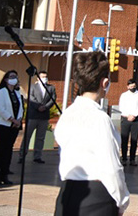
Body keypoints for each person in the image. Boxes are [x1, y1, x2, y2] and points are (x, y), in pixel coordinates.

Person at [54, 50, 129, 215]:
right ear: (104, 83)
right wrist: (122, 201)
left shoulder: (68, 114)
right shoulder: (100, 119)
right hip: (97, 197)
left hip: (67, 193)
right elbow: (112, 168)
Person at [0, 69, 24, 186]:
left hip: (14, 126)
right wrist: (12, 119)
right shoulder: (1, 92)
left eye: (15, 77)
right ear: (6, 79)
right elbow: (0, 109)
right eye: (11, 77)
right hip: (2, 125)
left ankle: (4, 174)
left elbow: (20, 107)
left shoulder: (17, 92)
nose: (13, 79)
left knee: (8, 150)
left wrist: (19, 120)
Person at [18, 69, 56, 165]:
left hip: (44, 116)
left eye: (46, 77)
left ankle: (37, 156)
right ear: (38, 78)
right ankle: (22, 155)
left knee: (40, 137)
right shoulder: (33, 87)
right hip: (33, 115)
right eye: (42, 77)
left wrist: (45, 107)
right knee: (27, 136)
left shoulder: (51, 88)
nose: (44, 79)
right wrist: (38, 107)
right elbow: (31, 98)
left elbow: (53, 99)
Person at [117, 79, 138, 167]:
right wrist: (128, 115)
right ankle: (124, 158)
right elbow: (121, 106)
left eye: (133, 86)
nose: (132, 88)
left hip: (135, 120)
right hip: (125, 119)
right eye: (130, 86)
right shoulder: (124, 95)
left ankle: (132, 159)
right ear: (127, 86)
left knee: (134, 140)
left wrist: (134, 115)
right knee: (124, 139)